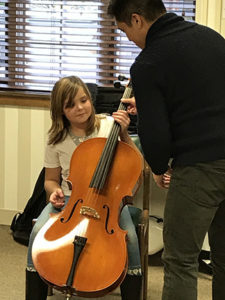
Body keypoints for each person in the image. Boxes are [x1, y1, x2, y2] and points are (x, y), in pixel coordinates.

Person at [107, 1, 225, 300]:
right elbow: (198, 100)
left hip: (201, 166)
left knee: (181, 260)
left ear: (136, 19)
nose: (129, 40)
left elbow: (157, 140)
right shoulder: (211, 38)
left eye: (124, 31)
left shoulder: (148, 63)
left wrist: (160, 168)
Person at [25, 75, 143, 300]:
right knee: (37, 232)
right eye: (70, 105)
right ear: (60, 110)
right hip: (70, 201)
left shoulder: (109, 126)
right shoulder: (56, 138)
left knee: (132, 241)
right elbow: (50, 180)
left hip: (109, 201)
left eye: (83, 100)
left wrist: (125, 134)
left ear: (90, 99)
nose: (79, 108)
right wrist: (54, 193)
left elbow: (136, 165)